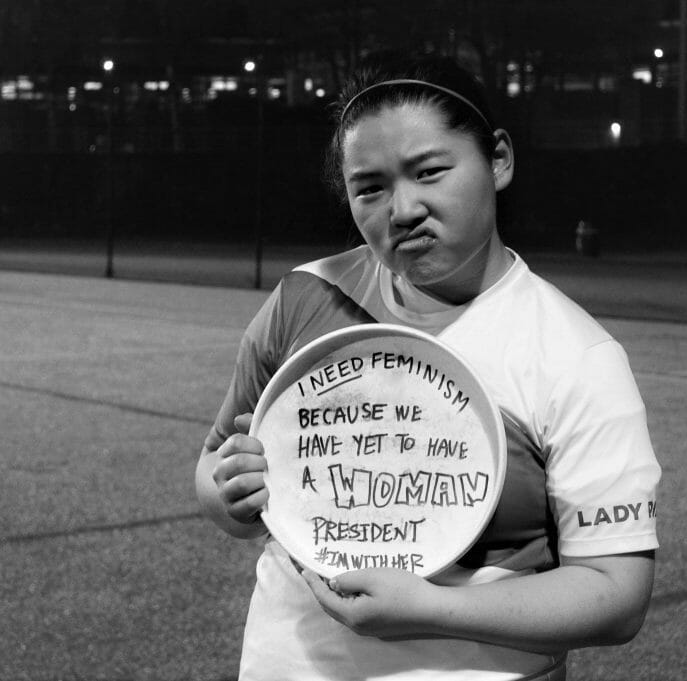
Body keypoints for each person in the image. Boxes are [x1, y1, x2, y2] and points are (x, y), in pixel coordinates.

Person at [195, 51, 661, 681]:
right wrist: (231, 493)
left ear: (497, 159)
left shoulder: (576, 354)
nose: (402, 209)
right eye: (370, 187)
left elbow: (617, 594)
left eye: (429, 171)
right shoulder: (304, 298)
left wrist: (433, 608)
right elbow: (217, 465)